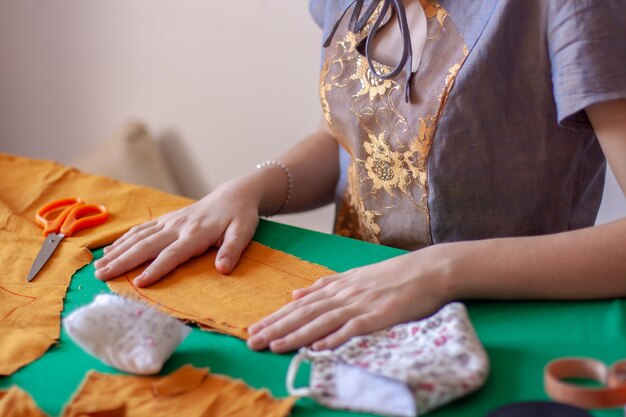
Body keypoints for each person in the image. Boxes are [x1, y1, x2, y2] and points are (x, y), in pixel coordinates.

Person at [94, 0, 626, 354]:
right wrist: (252, 189)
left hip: (503, 329)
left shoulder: (572, 9)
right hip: (348, 303)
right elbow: (365, 138)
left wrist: (439, 269)